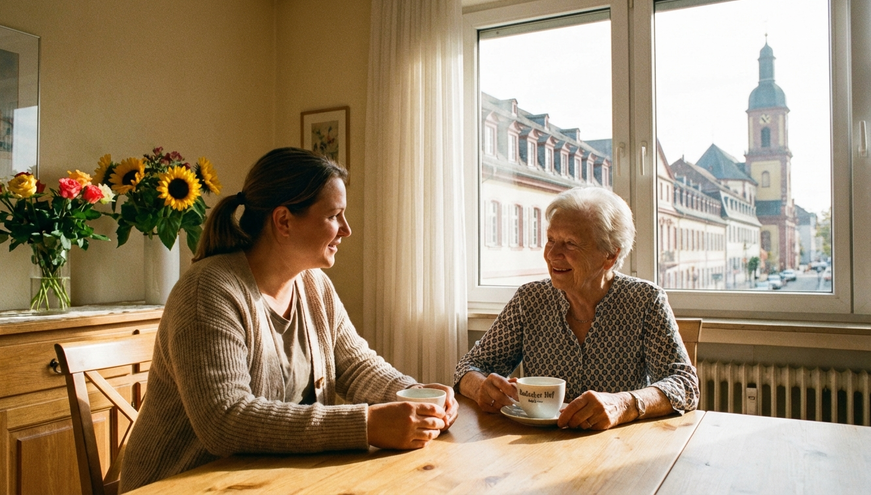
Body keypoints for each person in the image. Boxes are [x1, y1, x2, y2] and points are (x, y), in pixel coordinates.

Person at [120, 147, 458, 492]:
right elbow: (225, 421)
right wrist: (366, 424)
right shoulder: (209, 290)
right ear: (283, 221)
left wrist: (415, 395)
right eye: (334, 216)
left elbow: (356, 365)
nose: (347, 230)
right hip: (181, 485)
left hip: (274, 481)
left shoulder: (313, 285)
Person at [454, 186, 698, 431]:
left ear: (610, 255)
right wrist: (480, 388)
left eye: (571, 244)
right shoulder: (531, 299)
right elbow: (469, 368)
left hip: (618, 447)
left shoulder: (645, 300)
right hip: (537, 447)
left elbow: (685, 385)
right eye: (550, 240)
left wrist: (623, 405)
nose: (552, 254)